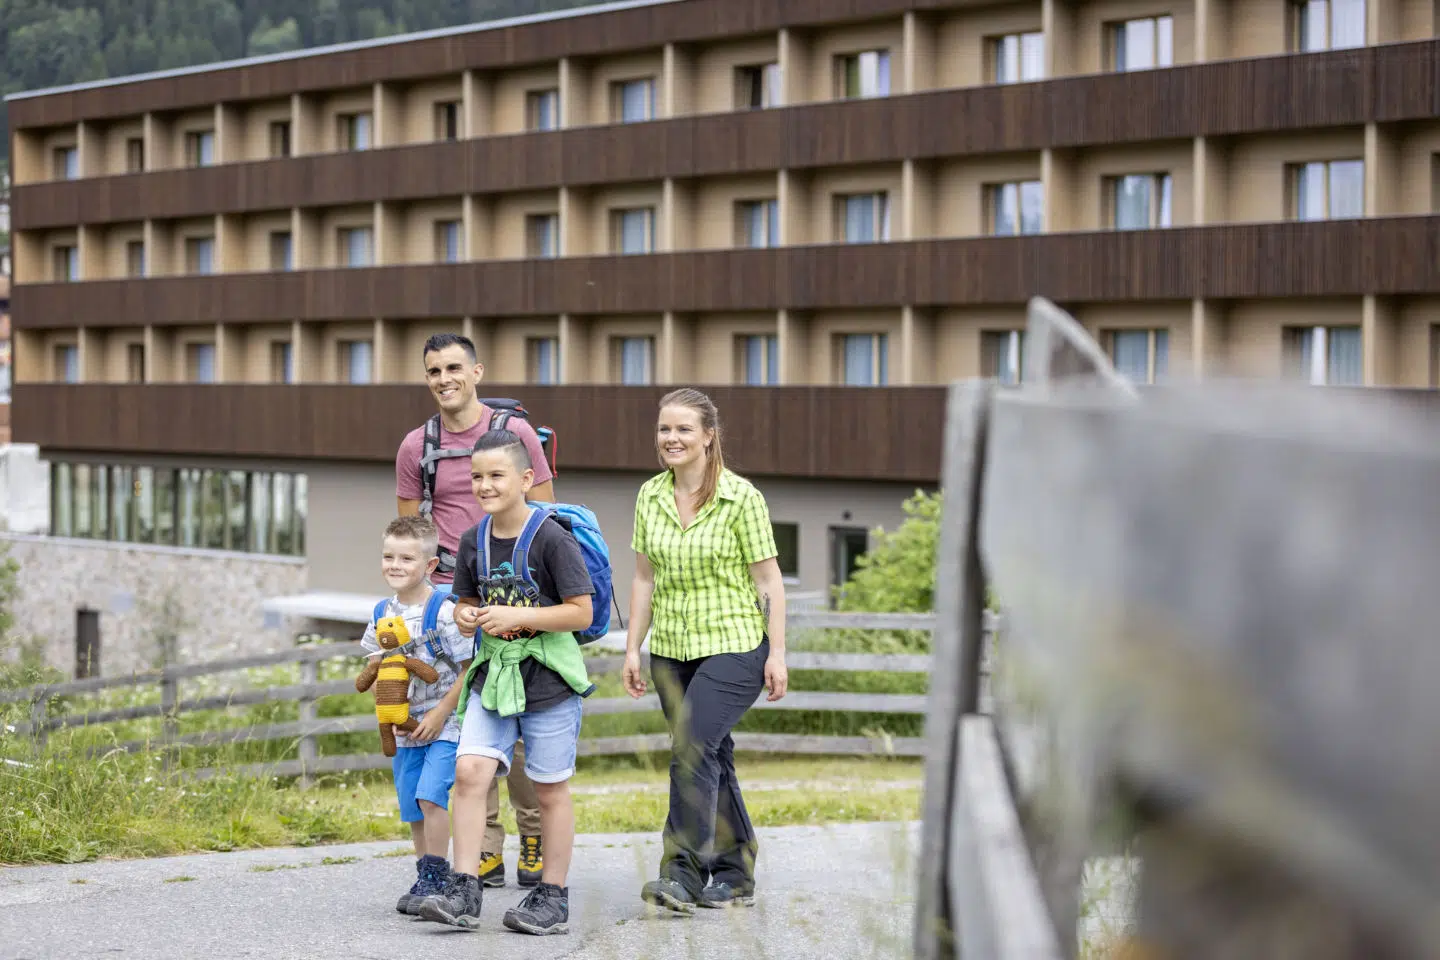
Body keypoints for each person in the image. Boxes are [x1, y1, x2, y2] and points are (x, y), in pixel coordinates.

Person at [417, 429, 596, 935]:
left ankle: (553, 896)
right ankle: (463, 888)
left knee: (549, 788)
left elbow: (580, 613)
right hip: (492, 679)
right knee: (471, 772)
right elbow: (466, 600)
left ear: (524, 478)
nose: (484, 485)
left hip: (548, 683)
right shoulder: (474, 538)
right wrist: (470, 616)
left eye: (496, 475)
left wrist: (521, 616)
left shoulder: (552, 537)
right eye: (476, 476)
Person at [622, 387, 789, 913]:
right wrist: (632, 649)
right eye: (664, 429)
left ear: (708, 436)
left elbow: (769, 581)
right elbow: (644, 580)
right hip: (671, 647)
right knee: (710, 754)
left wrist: (777, 652)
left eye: (683, 429)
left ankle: (681, 873)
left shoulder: (742, 498)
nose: (671, 438)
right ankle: (736, 872)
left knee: (692, 748)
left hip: (735, 644)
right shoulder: (650, 495)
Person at [395, 332, 552, 889]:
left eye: (454, 367)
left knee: (521, 723)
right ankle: (484, 848)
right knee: (468, 725)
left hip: (516, 593)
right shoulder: (418, 446)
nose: (444, 379)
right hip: (453, 597)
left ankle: (533, 830)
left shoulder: (516, 434)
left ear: (477, 371)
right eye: (434, 370)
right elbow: (413, 531)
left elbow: (547, 516)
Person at [358, 515, 474, 916]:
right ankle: (424, 872)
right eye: (388, 556)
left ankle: (439, 876)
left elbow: (469, 666)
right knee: (412, 804)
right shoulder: (380, 612)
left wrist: (443, 712)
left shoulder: (444, 610)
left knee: (431, 797)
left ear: (428, 566)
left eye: (406, 558)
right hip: (405, 728)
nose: (394, 565)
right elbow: (375, 662)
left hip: (445, 724)